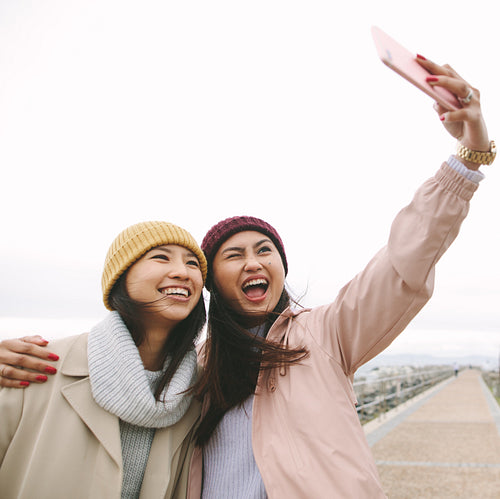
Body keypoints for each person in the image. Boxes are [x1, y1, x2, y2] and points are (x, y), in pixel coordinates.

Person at [0, 57, 496, 498]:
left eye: (265, 251)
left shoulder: (327, 334)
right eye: (233, 255)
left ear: (282, 268)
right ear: (211, 283)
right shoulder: (193, 369)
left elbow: (404, 261)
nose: (254, 262)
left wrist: (467, 157)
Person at [0, 221, 208, 499]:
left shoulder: (199, 392)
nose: (182, 272)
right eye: (161, 257)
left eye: (193, 264)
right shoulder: (35, 364)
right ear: (120, 276)